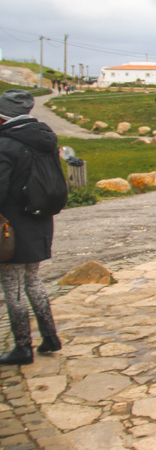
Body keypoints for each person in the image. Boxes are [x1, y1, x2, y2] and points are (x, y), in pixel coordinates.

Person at [0, 90, 61, 365]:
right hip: (39, 218)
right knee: (34, 280)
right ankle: (50, 336)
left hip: (10, 225)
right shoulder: (44, 139)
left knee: (12, 286)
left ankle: (22, 347)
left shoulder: (5, 144)